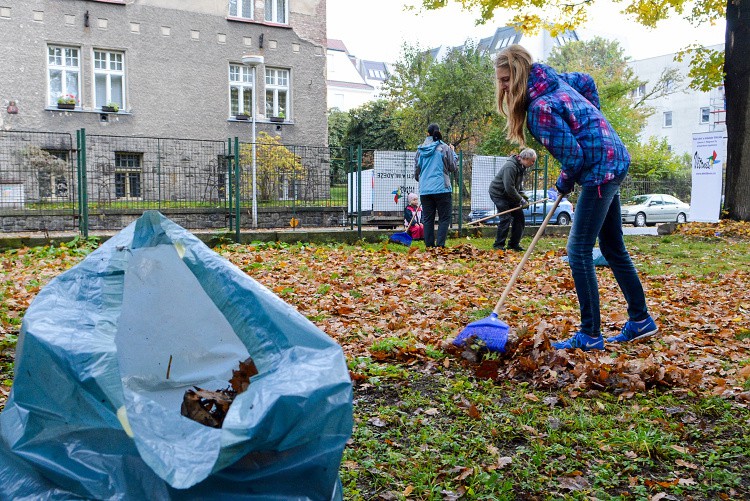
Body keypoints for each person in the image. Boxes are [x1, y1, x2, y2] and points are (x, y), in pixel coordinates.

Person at [494, 44, 657, 351]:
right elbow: (587, 81)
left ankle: (590, 334)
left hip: (599, 171)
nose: (502, 87)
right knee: (612, 246)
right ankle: (641, 320)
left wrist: (563, 182)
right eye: (500, 80)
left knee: (578, 250)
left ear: (519, 75)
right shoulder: (554, 80)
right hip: (614, 157)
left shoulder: (540, 109)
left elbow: (574, 159)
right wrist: (594, 124)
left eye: (506, 79)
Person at [414, 123, 458, 248]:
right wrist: (453, 153)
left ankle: (429, 246)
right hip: (442, 189)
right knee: (444, 218)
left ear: (427, 134)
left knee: (428, 219)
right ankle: (440, 246)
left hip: (425, 190)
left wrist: (423, 181)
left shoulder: (420, 150)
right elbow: (452, 167)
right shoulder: (444, 148)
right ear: (439, 132)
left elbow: (417, 172)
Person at [488, 148, 536, 251]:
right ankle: (498, 245)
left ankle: (514, 244)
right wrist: (521, 200)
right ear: (526, 158)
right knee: (506, 218)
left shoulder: (521, 167)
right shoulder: (510, 167)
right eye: (532, 161)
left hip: (509, 195)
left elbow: (517, 185)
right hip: (498, 193)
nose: (533, 163)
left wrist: (523, 196)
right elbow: (509, 187)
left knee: (519, 217)